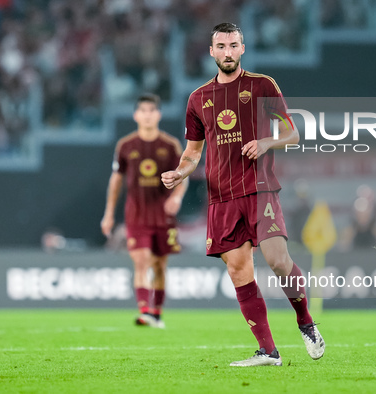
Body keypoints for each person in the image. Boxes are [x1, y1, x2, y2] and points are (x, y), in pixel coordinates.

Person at [161, 22, 325, 367]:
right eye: (221, 46)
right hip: (221, 198)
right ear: (211, 52)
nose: (228, 52)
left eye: (233, 45)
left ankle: (305, 322)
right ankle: (268, 350)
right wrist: (180, 171)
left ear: (243, 48)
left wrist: (267, 141)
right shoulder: (198, 99)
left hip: (260, 190)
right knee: (239, 272)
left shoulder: (262, 86)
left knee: (278, 260)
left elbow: (292, 133)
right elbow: (193, 153)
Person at [101, 93, 187, 329]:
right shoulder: (126, 146)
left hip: (163, 215)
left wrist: (177, 197)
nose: (148, 115)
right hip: (136, 214)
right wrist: (109, 213)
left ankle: (156, 313)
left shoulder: (169, 146)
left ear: (158, 115)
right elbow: (116, 181)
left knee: (159, 265)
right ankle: (144, 311)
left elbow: (182, 176)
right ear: (136, 115)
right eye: (143, 111)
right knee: (142, 260)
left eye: (152, 111)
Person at [339, 185, 376, 252]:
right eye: (360, 215)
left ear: (370, 214)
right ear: (355, 214)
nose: (362, 218)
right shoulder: (349, 231)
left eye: (365, 215)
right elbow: (342, 251)